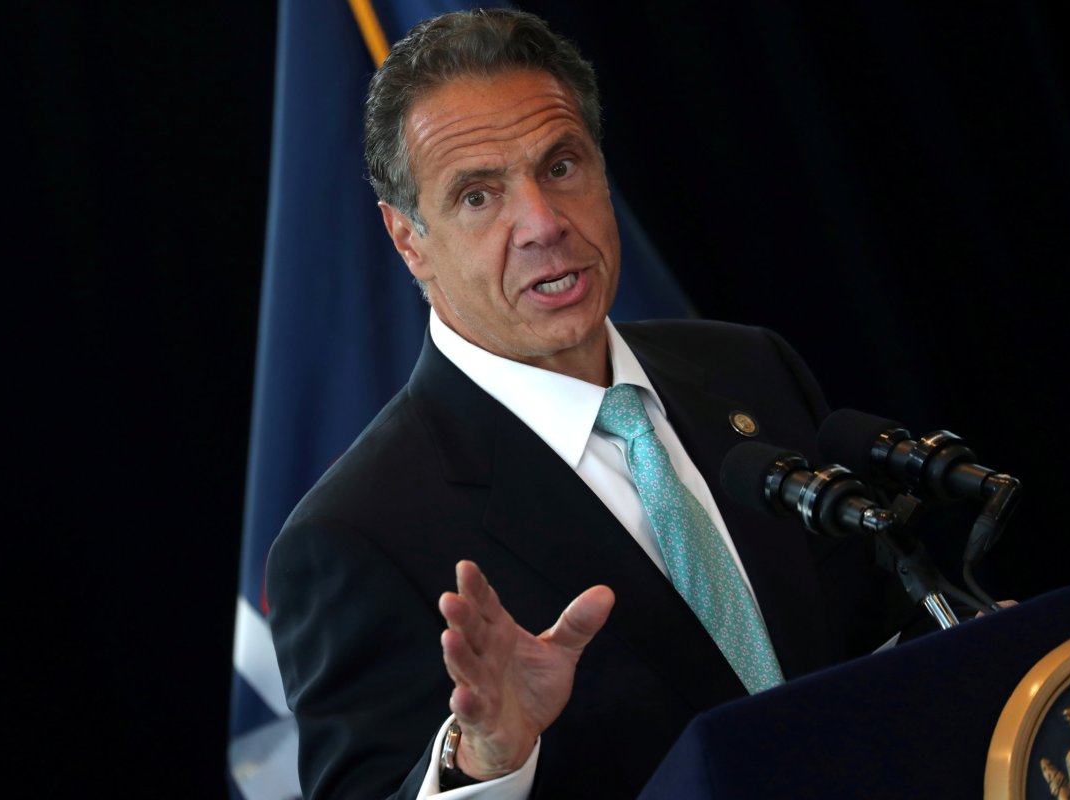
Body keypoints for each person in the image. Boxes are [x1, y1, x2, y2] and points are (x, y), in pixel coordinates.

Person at [266, 8, 914, 799]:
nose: (543, 223)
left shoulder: (750, 369)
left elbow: (876, 641)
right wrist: (484, 763)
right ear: (408, 239)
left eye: (562, 165)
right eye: (478, 197)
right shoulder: (356, 536)